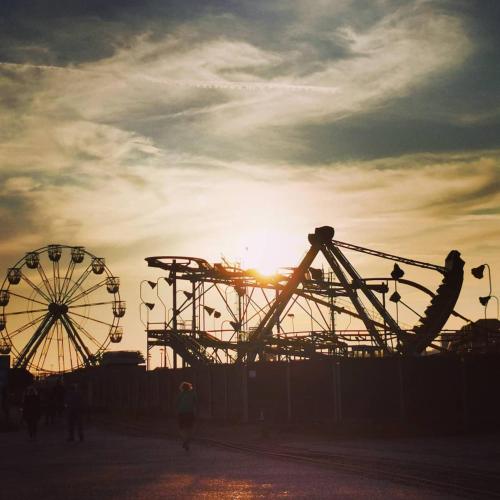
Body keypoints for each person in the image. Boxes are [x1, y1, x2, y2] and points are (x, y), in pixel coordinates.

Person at [176, 381, 197, 451]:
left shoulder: (180, 394)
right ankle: (187, 440)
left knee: (181, 428)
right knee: (190, 427)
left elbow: (176, 403)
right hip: (190, 413)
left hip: (181, 413)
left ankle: (185, 440)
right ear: (189, 387)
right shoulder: (193, 394)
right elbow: (196, 402)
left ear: (182, 387)